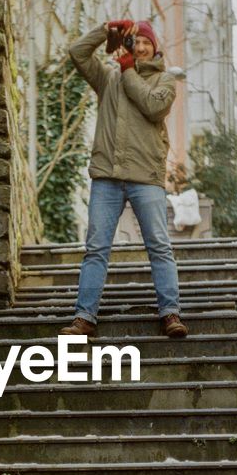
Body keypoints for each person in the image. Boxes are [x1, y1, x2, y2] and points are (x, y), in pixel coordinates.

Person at [59, 19, 187, 340]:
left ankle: (170, 313)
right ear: (128, 45)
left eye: (146, 42)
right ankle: (84, 317)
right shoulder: (108, 78)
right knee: (96, 248)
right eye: (135, 42)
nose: (141, 47)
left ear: (154, 47)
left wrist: (129, 69)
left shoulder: (165, 80)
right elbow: (77, 53)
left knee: (158, 246)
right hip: (107, 176)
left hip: (146, 177)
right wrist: (105, 30)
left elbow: (152, 106)